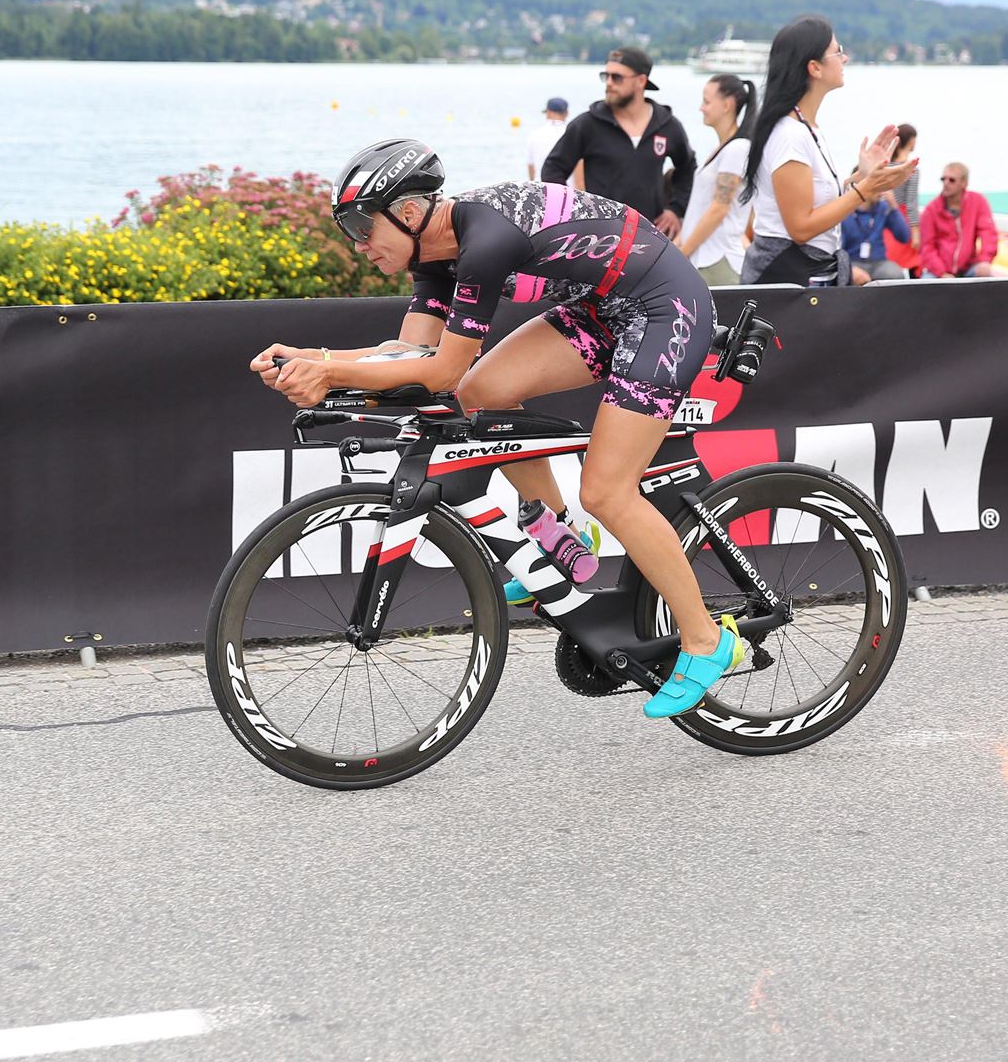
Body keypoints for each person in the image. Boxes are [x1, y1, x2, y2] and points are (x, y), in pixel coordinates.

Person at [252, 139, 742, 719]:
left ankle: (706, 640)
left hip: (665, 309)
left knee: (608, 491)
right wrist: (313, 359)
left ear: (407, 212)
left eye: (363, 228)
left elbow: (441, 369)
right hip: (603, 307)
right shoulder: (433, 255)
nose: (358, 246)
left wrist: (330, 371)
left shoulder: (484, 242)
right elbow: (409, 354)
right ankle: (562, 539)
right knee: (484, 392)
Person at [738, 16, 917, 286]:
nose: (844, 58)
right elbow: (800, 228)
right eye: (837, 51)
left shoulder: (807, 128)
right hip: (787, 281)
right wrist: (866, 189)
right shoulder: (790, 134)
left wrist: (860, 178)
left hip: (805, 276)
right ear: (814, 68)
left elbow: (815, 204)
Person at [541, 47, 693, 239]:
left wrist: (675, 209)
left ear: (641, 81)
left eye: (617, 77)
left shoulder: (668, 125)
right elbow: (553, 168)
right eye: (606, 76)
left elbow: (687, 167)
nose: (609, 83)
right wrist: (571, 212)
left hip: (650, 237)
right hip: (600, 239)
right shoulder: (587, 124)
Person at [677, 74, 758, 286]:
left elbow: (719, 208)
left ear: (727, 105)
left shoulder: (737, 149)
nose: (701, 108)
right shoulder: (722, 149)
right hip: (703, 258)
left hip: (717, 260)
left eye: (706, 101)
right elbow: (699, 208)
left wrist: (682, 254)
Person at [919, 163, 999, 278]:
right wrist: (942, 273)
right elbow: (927, 247)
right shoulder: (931, 210)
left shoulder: (978, 202)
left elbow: (988, 233)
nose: (946, 183)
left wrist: (985, 260)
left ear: (964, 183)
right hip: (938, 271)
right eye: (943, 179)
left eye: (951, 180)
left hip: (967, 268)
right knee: (926, 283)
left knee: (986, 275)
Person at [840, 192, 911, 284]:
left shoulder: (883, 208)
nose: (881, 191)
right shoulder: (846, 212)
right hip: (853, 261)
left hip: (879, 262)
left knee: (894, 274)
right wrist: (850, 268)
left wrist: (894, 208)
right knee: (848, 277)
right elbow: (839, 249)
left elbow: (904, 237)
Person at [883, 123, 923, 276]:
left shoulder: (886, 167)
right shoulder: (911, 169)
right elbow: (911, 203)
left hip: (885, 218)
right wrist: (915, 232)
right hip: (903, 219)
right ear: (911, 140)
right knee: (911, 264)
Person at [526, 97, 568, 181]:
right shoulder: (570, 133)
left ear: (548, 113)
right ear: (566, 113)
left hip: (541, 184)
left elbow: (531, 166)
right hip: (565, 185)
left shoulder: (535, 134)